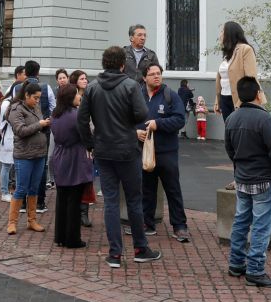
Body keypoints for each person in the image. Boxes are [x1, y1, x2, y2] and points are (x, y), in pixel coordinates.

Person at [77, 46, 161, 268]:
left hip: (103, 150)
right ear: (123, 64)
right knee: (134, 200)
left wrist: (90, 144)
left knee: (111, 202)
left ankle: (115, 253)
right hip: (127, 150)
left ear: (104, 63)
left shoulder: (92, 88)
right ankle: (140, 248)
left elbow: (81, 120)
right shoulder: (130, 85)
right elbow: (142, 114)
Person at [225, 76, 271, 288]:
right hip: (264, 180)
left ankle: (236, 263)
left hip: (243, 179)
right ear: (257, 94)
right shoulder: (264, 119)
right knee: (261, 227)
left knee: (241, 222)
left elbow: (230, 150)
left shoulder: (232, 118)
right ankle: (255, 270)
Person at [132, 64, 189, 241]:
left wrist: (158, 124)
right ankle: (147, 223)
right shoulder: (137, 95)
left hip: (166, 152)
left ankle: (179, 226)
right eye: (152, 74)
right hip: (144, 152)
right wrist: (135, 132)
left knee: (173, 190)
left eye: (159, 73)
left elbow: (180, 119)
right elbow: (126, 119)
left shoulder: (170, 95)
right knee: (146, 190)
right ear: (144, 77)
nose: (156, 76)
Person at [50, 84, 93, 249]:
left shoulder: (55, 114)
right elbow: (87, 136)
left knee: (62, 200)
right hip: (75, 158)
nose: (79, 96)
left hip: (60, 156)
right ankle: (72, 239)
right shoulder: (76, 115)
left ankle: (60, 236)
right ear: (70, 97)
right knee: (74, 200)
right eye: (76, 94)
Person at [5, 82, 50, 234]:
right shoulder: (16, 109)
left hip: (39, 153)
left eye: (39, 98)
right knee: (21, 188)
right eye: (35, 98)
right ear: (26, 95)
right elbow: (20, 130)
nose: (37, 101)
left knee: (34, 188)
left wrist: (46, 124)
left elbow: (38, 126)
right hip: (24, 155)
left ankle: (32, 220)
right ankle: (12, 222)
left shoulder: (35, 107)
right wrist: (40, 124)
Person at [23, 60, 55, 212]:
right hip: (43, 130)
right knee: (41, 164)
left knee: (23, 163)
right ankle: (40, 202)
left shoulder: (18, 87)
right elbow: (53, 108)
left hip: (24, 131)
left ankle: (23, 202)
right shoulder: (46, 87)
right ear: (38, 72)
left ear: (25, 72)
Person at [214, 21, 258, 119]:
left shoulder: (245, 49)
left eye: (222, 31)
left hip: (240, 100)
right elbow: (224, 79)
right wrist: (218, 100)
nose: (220, 34)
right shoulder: (227, 53)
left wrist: (241, 102)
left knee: (240, 127)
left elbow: (250, 78)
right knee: (229, 127)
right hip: (225, 98)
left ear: (229, 33)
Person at [68, 69, 95, 227]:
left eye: (86, 78)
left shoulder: (90, 95)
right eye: (82, 78)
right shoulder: (71, 97)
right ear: (75, 81)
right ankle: (74, 210)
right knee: (74, 178)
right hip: (74, 142)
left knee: (86, 178)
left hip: (88, 141)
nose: (85, 81)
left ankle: (84, 212)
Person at [0, 92, 15, 202]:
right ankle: (4, 192)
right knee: (6, 165)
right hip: (8, 138)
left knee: (12, 166)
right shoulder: (7, 103)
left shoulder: (13, 102)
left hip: (12, 138)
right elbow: (8, 120)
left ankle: (8, 189)